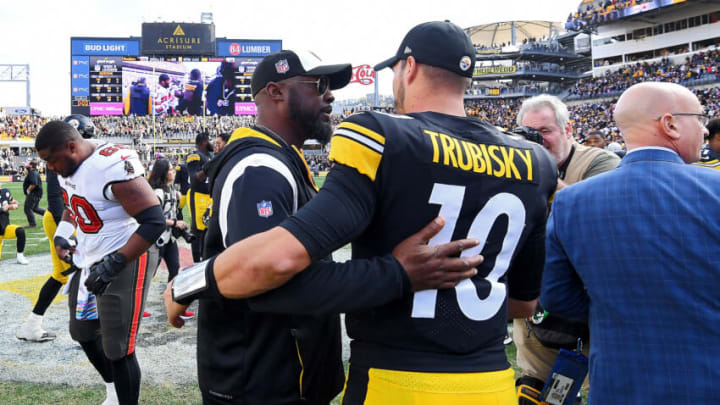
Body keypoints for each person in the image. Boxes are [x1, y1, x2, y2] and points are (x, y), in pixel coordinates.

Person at [167, 22, 557, 403]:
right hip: (490, 383)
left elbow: (270, 266)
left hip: (396, 379)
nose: (331, 97)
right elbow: (523, 303)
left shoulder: (381, 136)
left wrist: (187, 282)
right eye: (319, 86)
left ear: (409, 68)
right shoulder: (535, 160)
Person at [540, 82, 718, 404]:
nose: (705, 130)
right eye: (700, 118)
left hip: (618, 386)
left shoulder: (571, 203)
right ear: (670, 124)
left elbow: (556, 297)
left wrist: (614, 307)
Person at [35, 121, 165, 405]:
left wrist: (114, 264)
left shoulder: (111, 166)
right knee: (81, 332)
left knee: (119, 348)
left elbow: (154, 222)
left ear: (72, 146)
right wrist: (62, 236)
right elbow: (74, 205)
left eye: (52, 160)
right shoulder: (67, 166)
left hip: (128, 255)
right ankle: (114, 391)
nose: (51, 168)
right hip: (91, 256)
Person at [513, 94, 620, 398]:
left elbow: (599, 216)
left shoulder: (600, 162)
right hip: (535, 309)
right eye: (529, 133)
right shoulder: (516, 163)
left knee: (594, 387)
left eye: (545, 131)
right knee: (535, 391)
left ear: (568, 129)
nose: (538, 140)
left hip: (585, 305)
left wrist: (543, 172)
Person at [17, 114, 94, 342]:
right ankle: (87, 330)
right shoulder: (61, 159)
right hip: (62, 220)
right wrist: (68, 228)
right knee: (82, 268)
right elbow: (55, 196)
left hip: (63, 218)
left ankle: (32, 324)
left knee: (62, 275)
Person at [147, 157, 194, 322]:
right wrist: (175, 223)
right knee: (148, 273)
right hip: (158, 239)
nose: (174, 172)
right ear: (163, 173)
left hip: (169, 238)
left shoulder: (171, 190)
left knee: (175, 269)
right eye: (170, 170)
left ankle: (173, 304)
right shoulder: (158, 193)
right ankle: (137, 307)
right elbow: (155, 217)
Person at [185, 132, 212, 262]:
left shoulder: (210, 156)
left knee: (209, 228)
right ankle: (196, 262)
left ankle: (205, 258)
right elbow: (194, 179)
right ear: (204, 142)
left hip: (210, 197)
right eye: (210, 140)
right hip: (198, 196)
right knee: (198, 229)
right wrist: (207, 169)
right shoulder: (195, 155)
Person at [0, 183, 29, 264]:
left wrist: (15, 204)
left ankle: (20, 256)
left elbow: (13, 202)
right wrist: (4, 208)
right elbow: (4, 208)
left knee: (20, 231)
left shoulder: (5, 192)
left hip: (5, 228)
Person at [22, 160, 45, 227]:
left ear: (31, 166)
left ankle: (32, 224)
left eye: (28, 163)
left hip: (33, 194)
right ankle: (49, 215)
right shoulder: (33, 172)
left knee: (27, 209)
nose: (26, 164)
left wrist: (28, 191)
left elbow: (34, 184)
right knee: (35, 208)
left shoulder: (32, 173)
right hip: (36, 194)